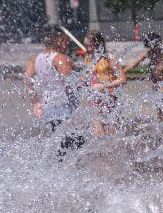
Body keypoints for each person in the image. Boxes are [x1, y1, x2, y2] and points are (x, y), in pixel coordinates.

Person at [24, 28, 84, 158]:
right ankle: (68, 170)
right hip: (64, 106)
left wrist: (36, 102)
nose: (68, 46)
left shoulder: (35, 59)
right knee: (76, 143)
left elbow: (27, 81)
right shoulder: (61, 59)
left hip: (48, 106)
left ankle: (56, 169)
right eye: (67, 42)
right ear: (60, 41)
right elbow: (70, 84)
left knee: (59, 142)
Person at [82, 30, 126, 137]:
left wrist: (103, 85)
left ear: (99, 44)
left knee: (112, 133)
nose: (88, 49)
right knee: (97, 132)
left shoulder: (109, 58)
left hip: (110, 98)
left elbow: (123, 79)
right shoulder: (88, 57)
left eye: (90, 46)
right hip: (95, 98)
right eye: (86, 46)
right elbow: (90, 76)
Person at [123, 32, 163, 120]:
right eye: (150, 46)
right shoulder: (148, 53)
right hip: (156, 83)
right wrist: (122, 72)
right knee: (159, 107)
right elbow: (133, 64)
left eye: (153, 46)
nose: (152, 48)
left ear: (157, 44)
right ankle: (162, 125)